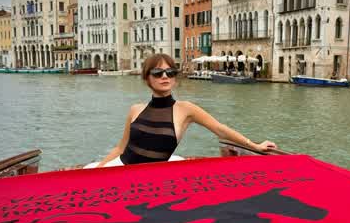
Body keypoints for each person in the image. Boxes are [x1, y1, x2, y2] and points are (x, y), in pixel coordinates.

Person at [92, 53, 277, 168]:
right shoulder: (135, 109)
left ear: (175, 77)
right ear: (147, 78)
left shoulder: (186, 109)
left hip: (151, 179)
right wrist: (100, 167)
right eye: (157, 73)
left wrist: (255, 145)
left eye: (170, 72)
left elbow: (220, 129)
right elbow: (121, 148)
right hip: (122, 169)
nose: (165, 76)